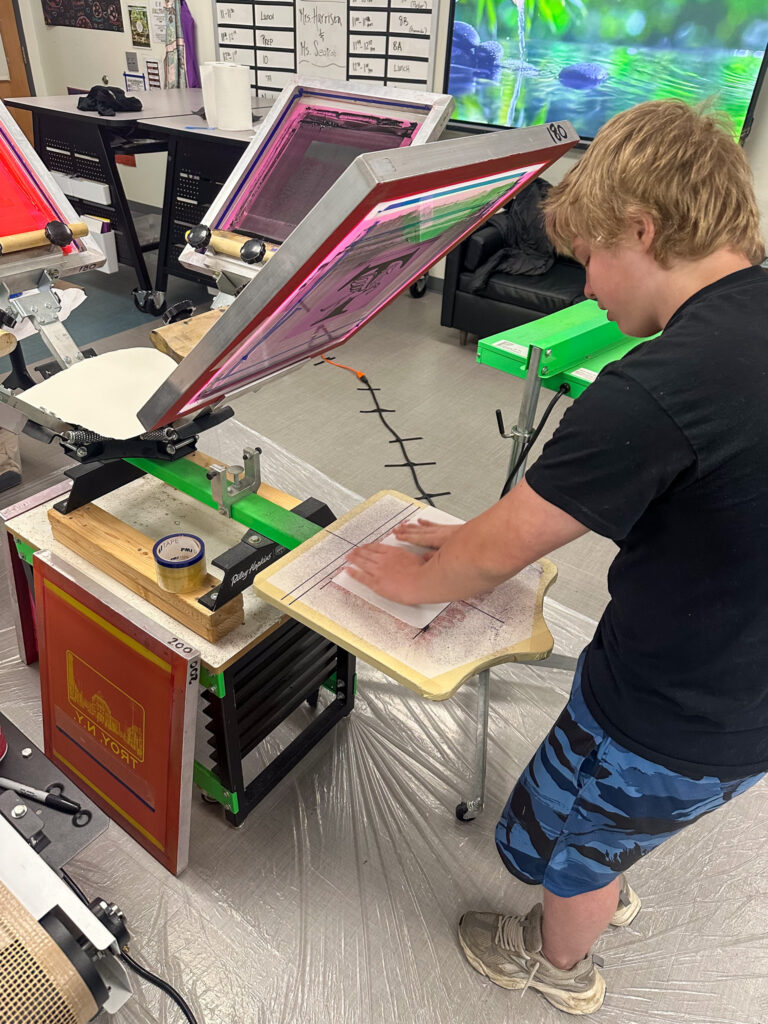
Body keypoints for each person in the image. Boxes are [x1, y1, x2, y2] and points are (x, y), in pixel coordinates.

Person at [345, 99, 768, 1015]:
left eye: (589, 262)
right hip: (744, 693)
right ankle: (610, 858)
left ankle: (558, 962)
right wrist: (463, 534)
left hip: (672, 708)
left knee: (573, 844)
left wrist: (418, 576)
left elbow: (509, 548)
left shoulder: (656, 388)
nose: (586, 293)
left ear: (642, 229)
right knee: (614, 819)